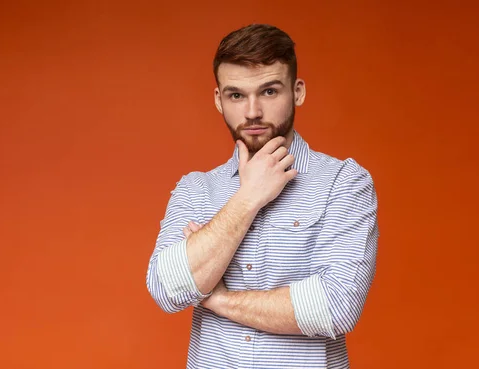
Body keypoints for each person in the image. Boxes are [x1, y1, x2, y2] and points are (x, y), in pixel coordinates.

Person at [146, 23, 379, 369]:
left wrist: (218, 298)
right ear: (218, 99)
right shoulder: (196, 188)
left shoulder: (344, 183)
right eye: (236, 95)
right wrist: (248, 197)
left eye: (269, 92)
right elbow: (167, 289)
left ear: (297, 92)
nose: (252, 111)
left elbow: (335, 307)